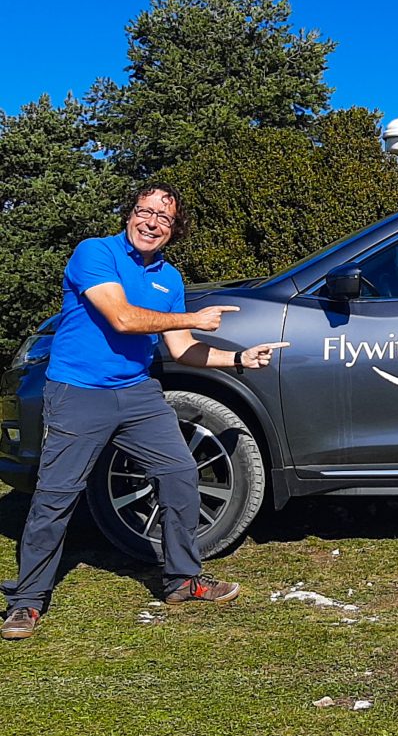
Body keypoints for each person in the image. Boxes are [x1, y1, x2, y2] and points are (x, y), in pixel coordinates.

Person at [2, 183, 288, 640]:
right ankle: (27, 602)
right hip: (78, 393)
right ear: (130, 214)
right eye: (144, 211)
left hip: (137, 394)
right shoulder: (95, 253)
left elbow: (181, 349)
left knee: (179, 474)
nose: (151, 222)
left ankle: (182, 580)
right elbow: (123, 318)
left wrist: (237, 358)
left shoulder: (169, 280)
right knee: (56, 496)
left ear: (173, 231)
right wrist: (194, 317)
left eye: (163, 218)